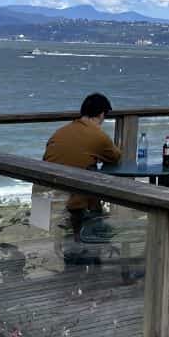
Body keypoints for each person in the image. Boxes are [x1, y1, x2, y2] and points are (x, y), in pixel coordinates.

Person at [42, 92, 123, 240]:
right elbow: (115, 157)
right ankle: (90, 241)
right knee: (92, 184)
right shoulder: (98, 135)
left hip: (45, 196)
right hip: (73, 201)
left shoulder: (61, 131)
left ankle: (82, 238)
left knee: (88, 174)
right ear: (101, 114)